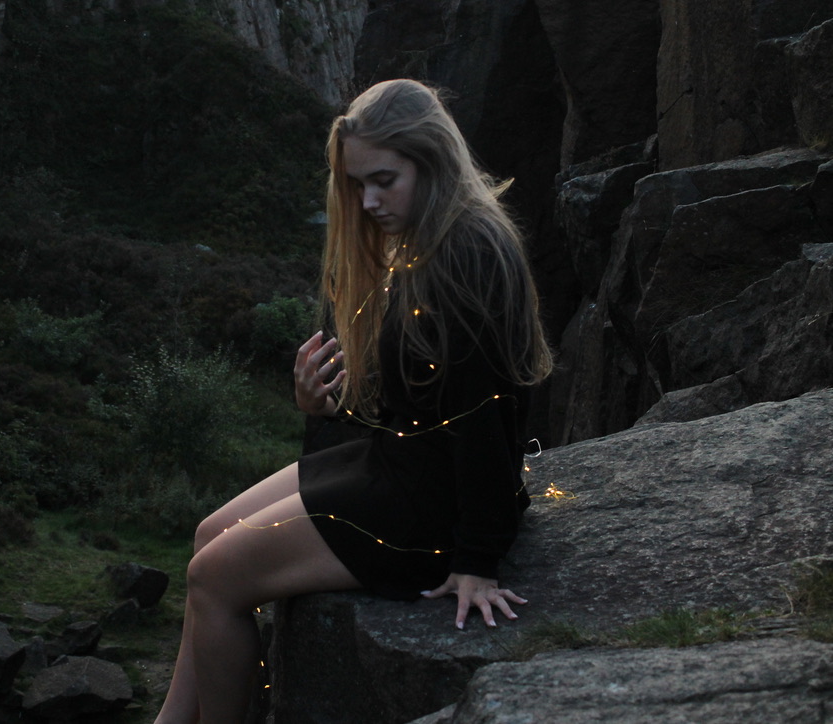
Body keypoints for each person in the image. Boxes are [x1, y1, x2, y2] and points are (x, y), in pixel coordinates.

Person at [154, 78, 552, 724]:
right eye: (358, 184)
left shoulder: (469, 256)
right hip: (397, 462)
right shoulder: (425, 240)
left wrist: (477, 561)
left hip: (427, 510)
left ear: (432, 161)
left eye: (383, 181)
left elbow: (487, 416)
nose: (367, 201)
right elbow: (413, 395)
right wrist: (323, 403)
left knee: (214, 578)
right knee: (208, 536)